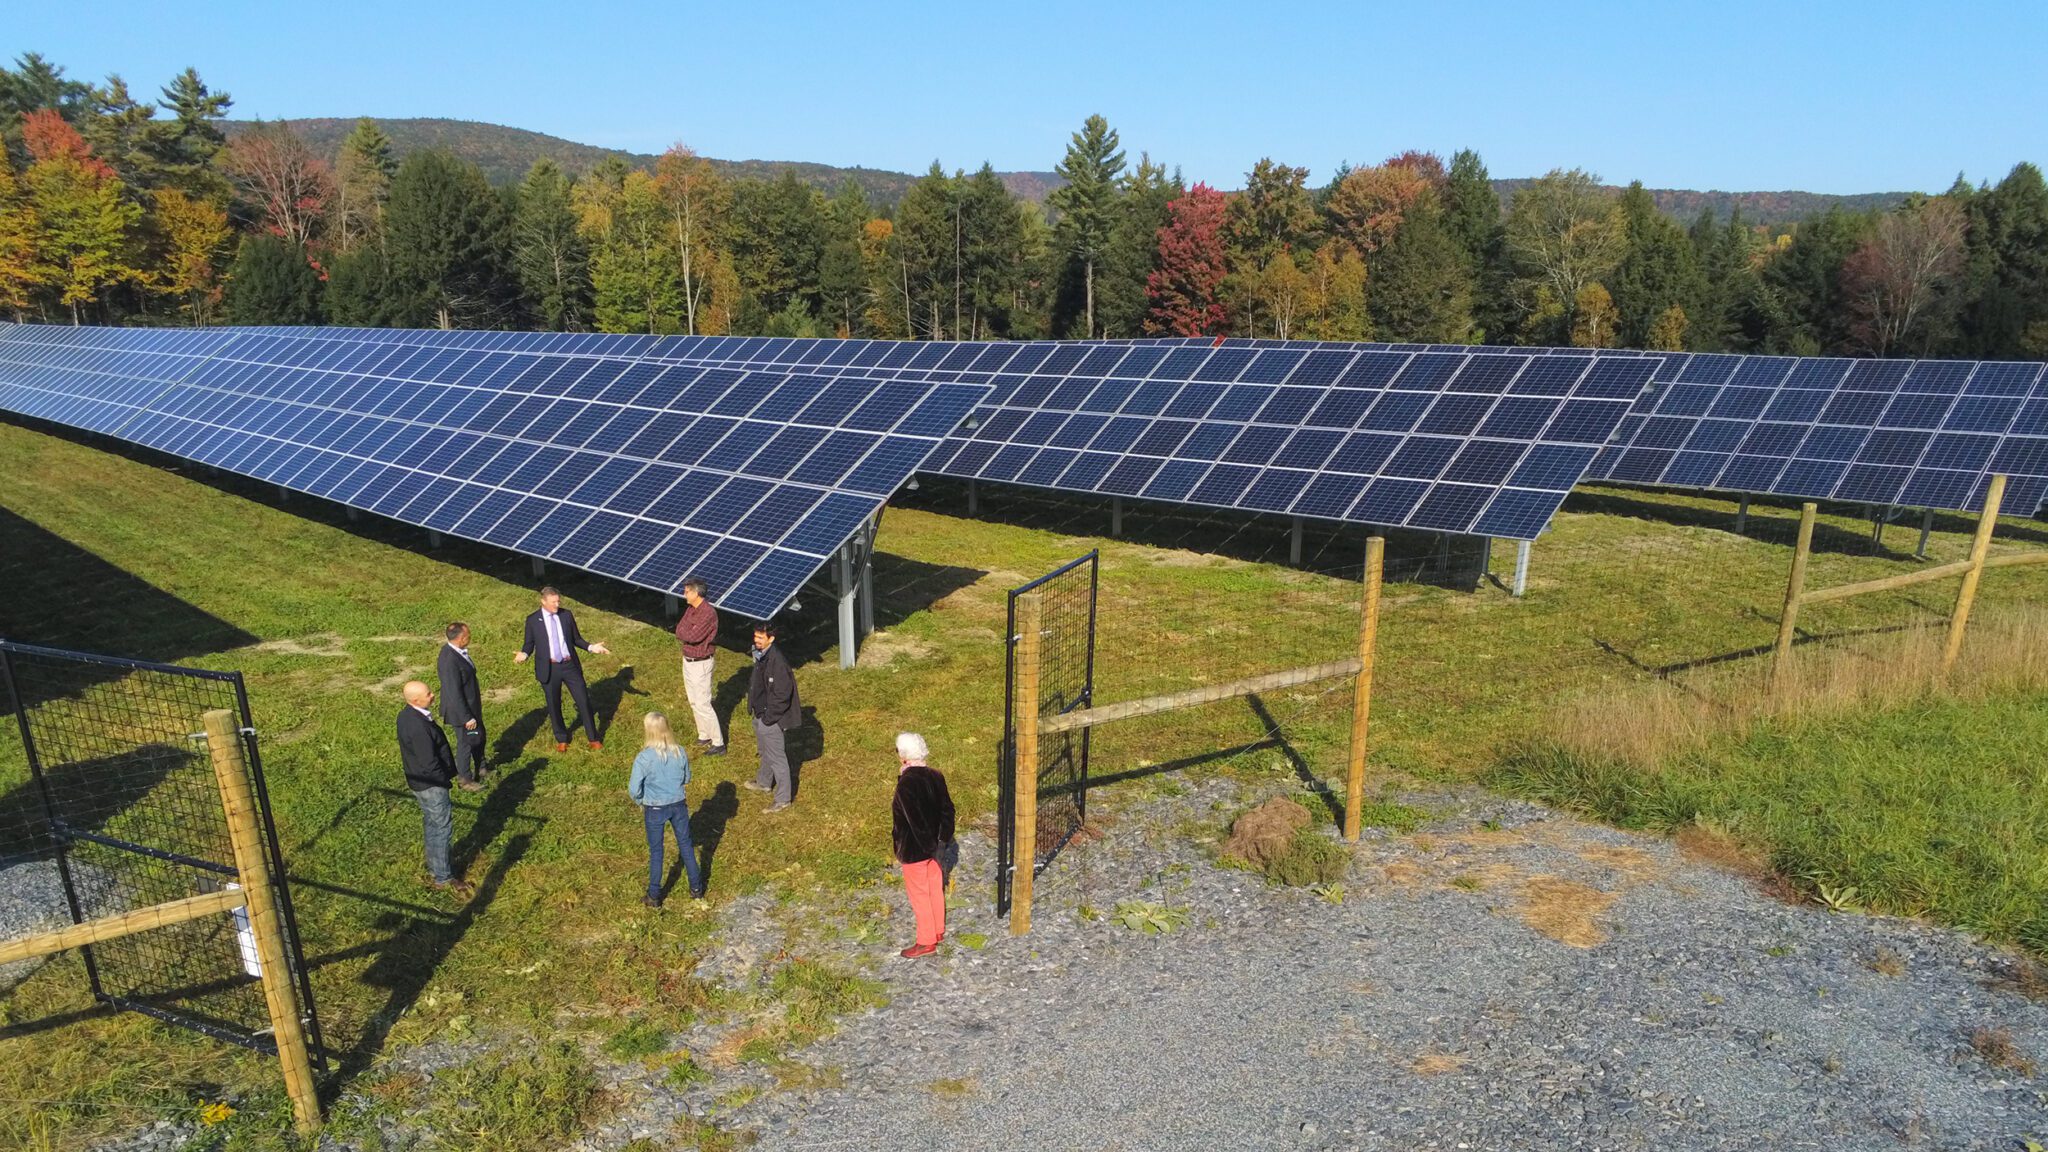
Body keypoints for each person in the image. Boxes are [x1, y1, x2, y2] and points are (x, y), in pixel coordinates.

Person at [397, 681, 473, 896]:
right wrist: (446, 781)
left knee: (432, 824)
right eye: (428, 694)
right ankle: (443, 876)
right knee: (441, 828)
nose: (433, 695)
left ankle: (435, 867)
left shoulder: (406, 716)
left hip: (419, 782)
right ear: (415, 700)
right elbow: (429, 763)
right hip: (431, 785)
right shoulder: (419, 727)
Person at [513, 586, 609, 752]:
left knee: (583, 701)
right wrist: (524, 654)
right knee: (553, 704)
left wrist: (591, 647)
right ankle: (562, 738)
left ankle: (593, 738)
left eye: (558, 601)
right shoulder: (533, 620)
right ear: (543, 602)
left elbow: (576, 639)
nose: (557, 605)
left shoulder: (566, 615)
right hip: (549, 668)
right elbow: (529, 643)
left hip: (569, 665)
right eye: (553, 602)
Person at [629, 711, 705, 908]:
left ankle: (654, 895)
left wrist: (641, 800)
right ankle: (696, 888)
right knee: (686, 846)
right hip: (678, 804)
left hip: (654, 807)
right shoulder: (679, 751)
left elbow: (633, 788)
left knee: (657, 851)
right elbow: (686, 778)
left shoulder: (644, 758)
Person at [891, 732, 954, 959]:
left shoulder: (906, 784)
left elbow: (914, 821)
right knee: (934, 889)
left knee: (919, 894)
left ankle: (926, 941)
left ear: (904, 756)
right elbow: (948, 810)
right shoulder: (936, 776)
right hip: (936, 847)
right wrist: (941, 842)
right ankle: (938, 930)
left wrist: (927, 846)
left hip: (915, 850)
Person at [744, 620, 800, 813]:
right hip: (761, 715)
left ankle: (783, 799)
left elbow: (782, 695)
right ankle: (764, 782)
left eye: (760, 637)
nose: (756, 640)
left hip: (771, 718)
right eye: (755, 636)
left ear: (771, 638)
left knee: (777, 758)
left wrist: (768, 719)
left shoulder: (778, 662)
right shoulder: (762, 655)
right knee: (766, 750)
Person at [674, 577, 725, 758]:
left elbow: (694, 636)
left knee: (703, 703)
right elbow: (679, 630)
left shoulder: (708, 613)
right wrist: (687, 632)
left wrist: (687, 632)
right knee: (694, 701)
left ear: (696, 593)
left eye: (687, 591)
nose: (684, 594)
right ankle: (704, 734)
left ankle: (718, 742)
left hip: (701, 663)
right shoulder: (691, 609)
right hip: (688, 660)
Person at [437, 622, 488, 787]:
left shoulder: (455, 652)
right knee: (465, 743)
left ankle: (481, 767)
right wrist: (466, 717)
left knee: (479, 737)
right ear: (461, 638)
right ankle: (465, 779)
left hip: (471, 707)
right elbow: (453, 692)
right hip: (461, 711)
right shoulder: (450, 659)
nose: (470, 638)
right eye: (468, 636)